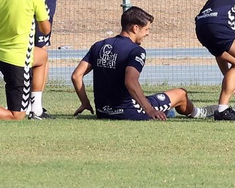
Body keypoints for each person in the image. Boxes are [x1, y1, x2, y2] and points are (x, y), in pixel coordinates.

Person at [72, 7, 211, 121]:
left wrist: (85, 102)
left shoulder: (99, 45)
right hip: (129, 112)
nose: (148, 34)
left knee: (158, 98)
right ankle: (199, 113)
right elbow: (130, 82)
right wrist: (149, 110)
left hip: (103, 112)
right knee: (180, 93)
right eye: (147, 29)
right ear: (135, 28)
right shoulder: (136, 50)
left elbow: (76, 76)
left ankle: (169, 112)